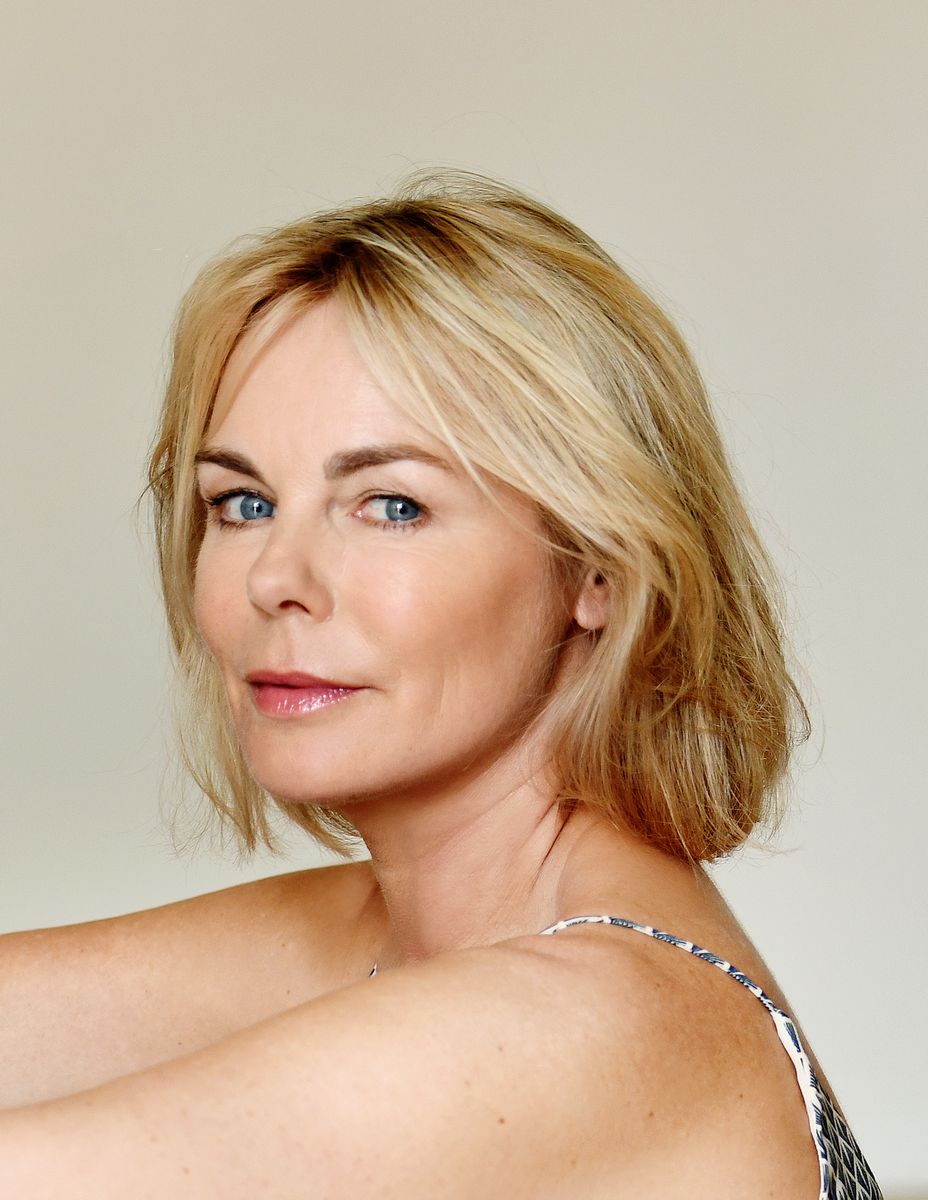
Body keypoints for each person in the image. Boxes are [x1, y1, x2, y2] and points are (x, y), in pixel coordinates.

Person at [0, 171, 882, 1198]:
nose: (276, 579)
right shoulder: (385, 930)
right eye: (242, 503)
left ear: (596, 566)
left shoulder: (593, 1019)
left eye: (392, 506)